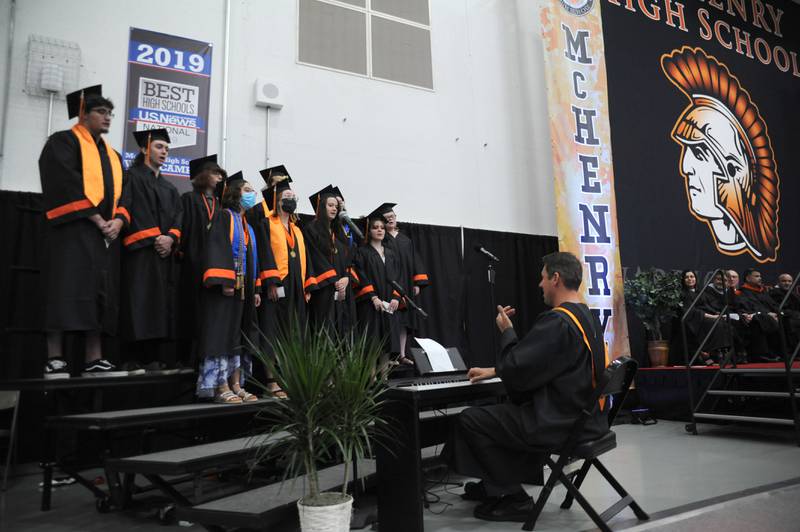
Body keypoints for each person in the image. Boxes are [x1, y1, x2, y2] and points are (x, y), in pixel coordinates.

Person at [443, 251, 609, 522]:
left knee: (471, 420)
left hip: (558, 424)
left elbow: (518, 372)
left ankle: (513, 496)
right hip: (585, 418)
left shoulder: (557, 321)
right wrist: (496, 370)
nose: (539, 284)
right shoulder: (586, 317)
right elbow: (546, 365)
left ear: (555, 278)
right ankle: (493, 483)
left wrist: (507, 331)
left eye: (543, 278)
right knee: (501, 413)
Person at [38, 85, 129, 378]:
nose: (108, 118)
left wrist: (118, 221)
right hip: (71, 232)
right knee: (63, 289)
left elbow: (126, 194)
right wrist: (95, 218)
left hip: (105, 235)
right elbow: (64, 181)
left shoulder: (113, 155)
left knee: (98, 294)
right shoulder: (63, 142)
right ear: (83, 114)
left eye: (110, 113)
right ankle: (55, 358)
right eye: (101, 112)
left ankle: (94, 359)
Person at [247, 165, 316, 397]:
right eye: (286, 196)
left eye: (292, 196)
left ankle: (289, 378)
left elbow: (305, 259)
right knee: (272, 332)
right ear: (275, 198)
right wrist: (272, 282)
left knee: (294, 333)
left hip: (296, 287)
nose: (291, 199)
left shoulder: (297, 228)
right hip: (278, 285)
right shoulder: (267, 223)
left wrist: (307, 285)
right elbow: (264, 254)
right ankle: (271, 381)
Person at [119, 128, 183, 373]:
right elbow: (129, 208)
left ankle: (152, 357)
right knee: (138, 301)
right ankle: (132, 357)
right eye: (159, 147)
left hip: (163, 254)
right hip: (140, 253)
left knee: (159, 304)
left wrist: (170, 238)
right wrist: (156, 236)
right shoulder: (131, 177)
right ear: (145, 148)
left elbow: (179, 216)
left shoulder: (170, 187)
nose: (164, 151)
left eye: (166, 148)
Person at [196, 172, 261, 403]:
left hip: (243, 291)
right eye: (247, 190)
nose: (252, 194)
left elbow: (254, 260)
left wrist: (255, 289)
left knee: (237, 335)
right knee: (220, 334)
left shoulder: (247, 225)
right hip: (225, 289)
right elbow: (216, 248)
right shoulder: (224, 217)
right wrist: (226, 281)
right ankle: (219, 385)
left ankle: (236, 383)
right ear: (234, 194)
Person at [177, 155, 225, 366]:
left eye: (221, 175)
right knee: (190, 310)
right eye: (215, 174)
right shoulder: (188, 199)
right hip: (192, 261)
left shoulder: (220, 204)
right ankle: (187, 358)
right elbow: (183, 226)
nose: (219, 178)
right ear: (204, 175)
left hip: (213, 265)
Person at [304, 185, 356, 336]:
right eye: (330, 205)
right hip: (324, 288)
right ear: (322, 207)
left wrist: (346, 277)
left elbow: (348, 258)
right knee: (325, 327)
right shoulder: (311, 229)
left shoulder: (338, 231)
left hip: (341, 287)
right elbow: (314, 256)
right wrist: (334, 280)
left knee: (342, 327)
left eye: (336, 206)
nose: (334, 209)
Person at [382, 204, 430, 364]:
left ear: (396, 219)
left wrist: (417, 282)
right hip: (390, 284)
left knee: (404, 321)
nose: (390, 219)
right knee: (391, 319)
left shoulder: (405, 240)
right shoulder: (382, 239)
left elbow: (415, 261)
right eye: (387, 218)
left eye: (392, 217)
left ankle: (401, 354)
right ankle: (389, 356)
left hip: (407, 284)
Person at [352, 207, 402, 359]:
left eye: (382, 227)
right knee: (373, 342)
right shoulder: (362, 252)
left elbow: (398, 276)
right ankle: (372, 378)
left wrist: (396, 297)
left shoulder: (391, 254)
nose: (380, 230)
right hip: (370, 303)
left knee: (389, 341)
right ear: (369, 231)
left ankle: (384, 378)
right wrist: (373, 297)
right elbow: (361, 276)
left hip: (389, 302)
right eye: (375, 228)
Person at [737, 269, 781, 361]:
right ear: (748, 278)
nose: (760, 278)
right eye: (756, 276)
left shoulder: (762, 291)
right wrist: (767, 313)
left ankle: (785, 351)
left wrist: (778, 313)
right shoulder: (742, 292)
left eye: (760, 276)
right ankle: (762, 353)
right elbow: (748, 307)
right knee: (761, 319)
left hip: (771, 316)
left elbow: (773, 305)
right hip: (755, 316)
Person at [770, 273, 800, 351]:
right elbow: (777, 308)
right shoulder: (774, 293)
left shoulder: (794, 294)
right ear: (778, 282)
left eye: (789, 281)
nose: (787, 283)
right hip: (784, 317)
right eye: (784, 281)